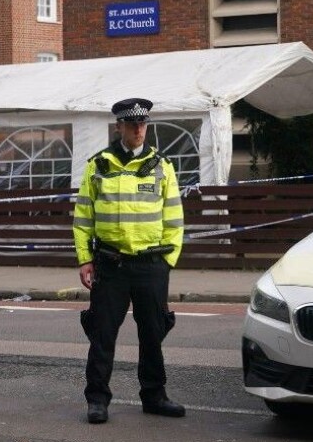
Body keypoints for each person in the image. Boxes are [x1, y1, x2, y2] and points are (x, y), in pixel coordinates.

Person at [73, 97, 185, 424]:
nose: (138, 130)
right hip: (111, 264)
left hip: (152, 265)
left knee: (153, 333)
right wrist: (84, 260)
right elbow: (83, 217)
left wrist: (168, 261)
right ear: (119, 126)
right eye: (132, 124)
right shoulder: (99, 165)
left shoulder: (162, 166)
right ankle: (97, 399)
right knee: (102, 334)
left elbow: (174, 218)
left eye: (143, 124)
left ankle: (154, 395)